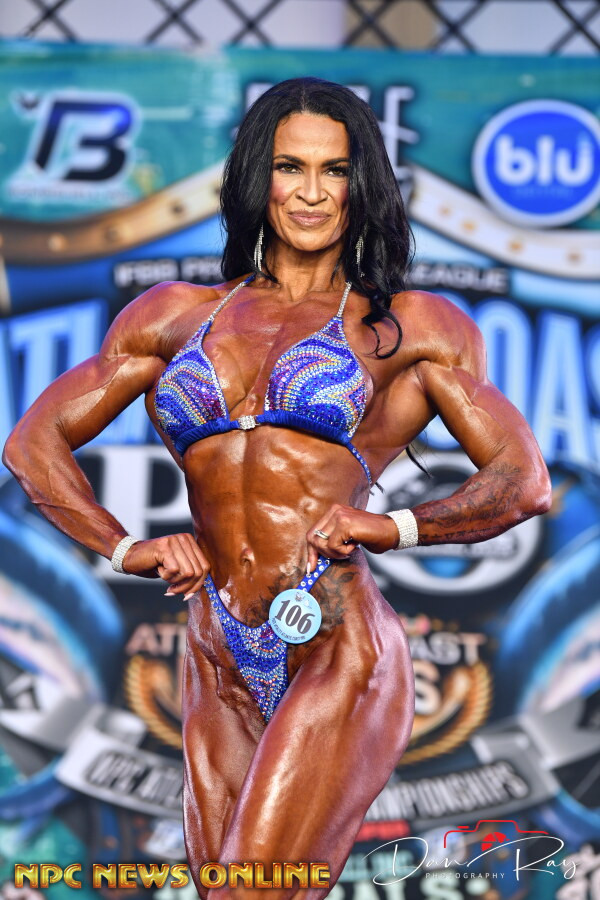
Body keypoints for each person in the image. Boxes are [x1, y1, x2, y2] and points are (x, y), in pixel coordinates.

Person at [2, 77, 551, 899]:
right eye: (291, 167)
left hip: (335, 639)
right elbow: (32, 442)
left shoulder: (408, 327)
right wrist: (122, 546)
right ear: (259, 177)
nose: (311, 192)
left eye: (335, 171)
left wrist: (396, 527)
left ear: (362, 185)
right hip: (217, 643)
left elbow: (523, 480)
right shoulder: (173, 315)